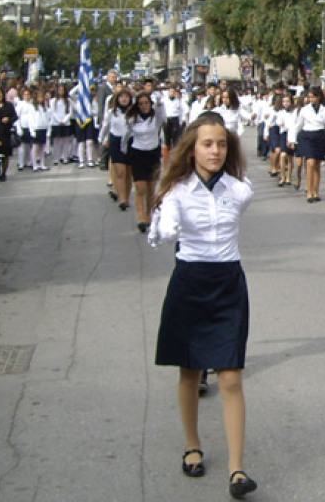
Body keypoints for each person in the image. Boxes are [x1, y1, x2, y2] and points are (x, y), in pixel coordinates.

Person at [148, 112, 258, 498]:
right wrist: (165, 227)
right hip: (190, 283)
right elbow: (159, 231)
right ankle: (192, 444)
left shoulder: (240, 190)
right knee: (190, 373)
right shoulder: (176, 190)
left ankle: (237, 469)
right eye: (207, 144)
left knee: (230, 377)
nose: (215, 151)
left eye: (222, 144)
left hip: (228, 283)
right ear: (192, 147)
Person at [287, 86, 325, 203]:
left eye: (313, 97)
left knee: (317, 165)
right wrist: (292, 139)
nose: (311, 99)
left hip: (320, 136)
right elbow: (297, 125)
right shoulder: (304, 110)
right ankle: (308, 191)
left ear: (319, 97)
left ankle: (316, 191)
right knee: (310, 162)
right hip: (307, 136)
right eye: (309, 97)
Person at [127, 91, 166, 233]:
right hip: (137, 153)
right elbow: (127, 134)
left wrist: (160, 103)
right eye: (141, 104)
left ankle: (149, 214)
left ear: (151, 104)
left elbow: (162, 115)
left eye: (146, 103)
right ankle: (141, 217)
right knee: (140, 187)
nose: (144, 106)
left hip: (153, 153)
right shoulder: (133, 118)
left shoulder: (155, 117)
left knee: (151, 188)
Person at [100, 88, 134, 211]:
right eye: (121, 97)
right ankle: (123, 199)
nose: (124, 99)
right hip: (116, 142)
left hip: (130, 142)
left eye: (126, 97)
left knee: (128, 173)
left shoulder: (134, 112)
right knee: (120, 172)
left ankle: (127, 197)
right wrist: (102, 139)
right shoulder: (112, 112)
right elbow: (105, 126)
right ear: (117, 99)